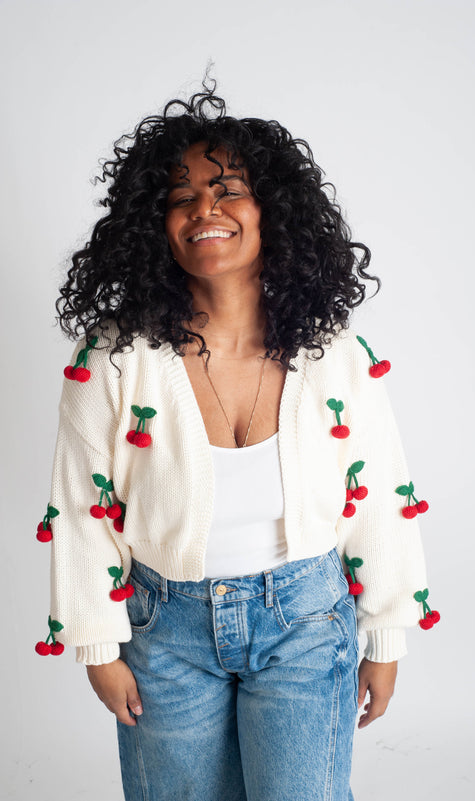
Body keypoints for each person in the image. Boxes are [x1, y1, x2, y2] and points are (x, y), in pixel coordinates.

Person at [35, 81, 438, 801]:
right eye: (180, 197)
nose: (204, 210)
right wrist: (96, 642)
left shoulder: (332, 352)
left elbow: (379, 493)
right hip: (164, 632)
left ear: (273, 210)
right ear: (154, 224)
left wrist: (386, 633)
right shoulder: (114, 358)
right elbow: (79, 504)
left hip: (307, 620)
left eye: (228, 190)